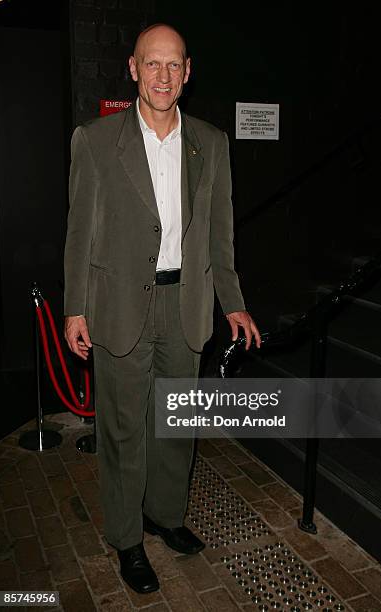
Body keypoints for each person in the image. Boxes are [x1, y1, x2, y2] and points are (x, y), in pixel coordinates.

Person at [63, 23, 261, 594]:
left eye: (174, 65)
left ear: (188, 72)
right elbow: (79, 234)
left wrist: (235, 305)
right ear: (132, 68)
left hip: (187, 304)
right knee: (124, 430)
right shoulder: (96, 140)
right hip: (122, 304)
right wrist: (75, 307)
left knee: (176, 423)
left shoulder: (212, 142)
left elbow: (221, 237)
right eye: (153, 64)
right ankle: (127, 538)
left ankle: (165, 516)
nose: (163, 76)